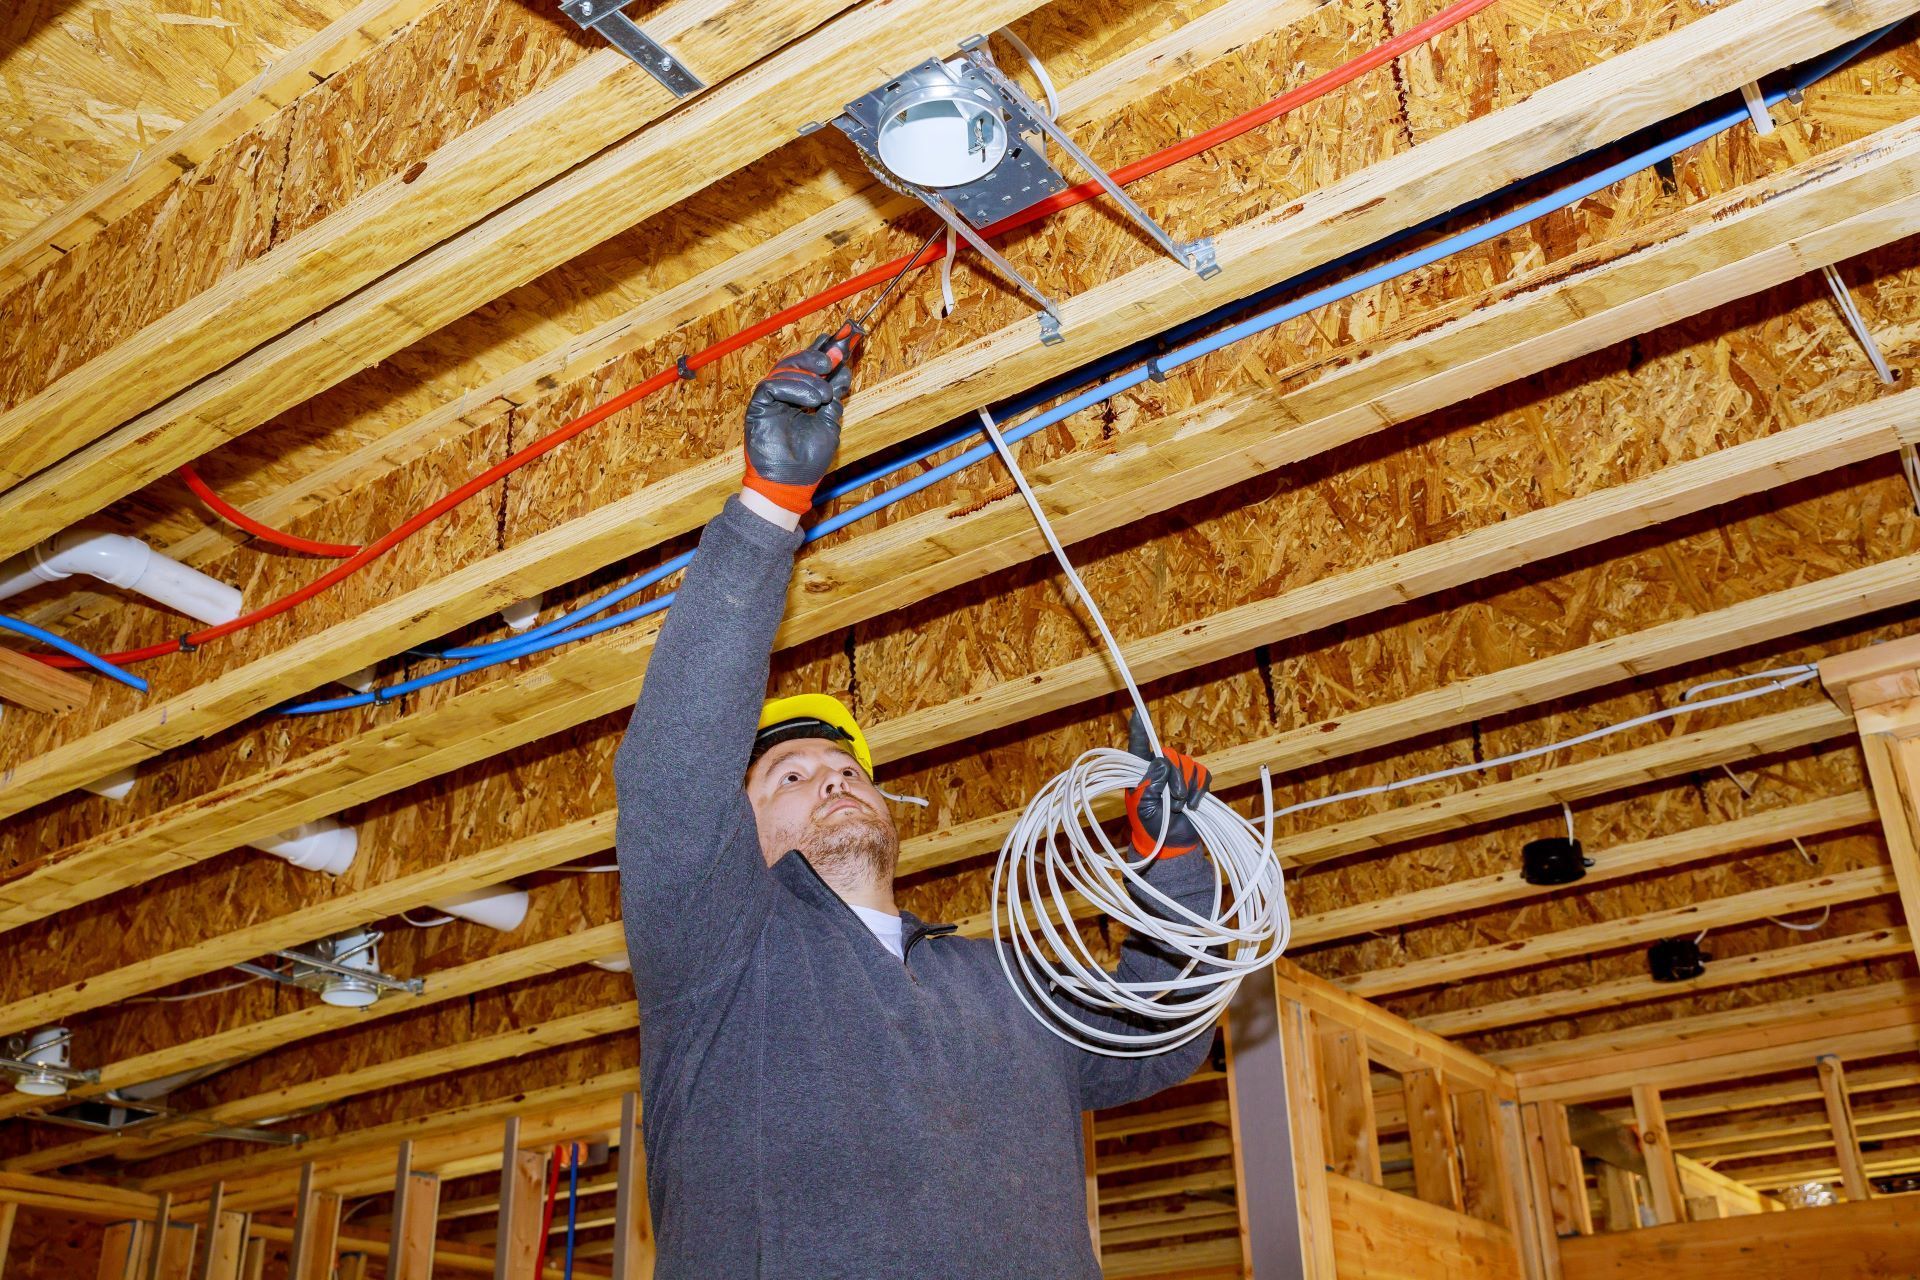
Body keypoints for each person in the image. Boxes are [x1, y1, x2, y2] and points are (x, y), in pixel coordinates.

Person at [614, 336, 1221, 1278]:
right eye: (789, 776)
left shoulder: (1000, 986)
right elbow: (671, 777)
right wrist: (768, 512)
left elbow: (1158, 1034)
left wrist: (1174, 866)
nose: (831, 778)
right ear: (740, 838)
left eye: (845, 766)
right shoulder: (721, 961)